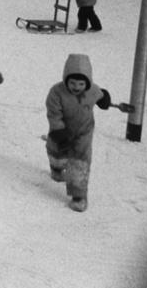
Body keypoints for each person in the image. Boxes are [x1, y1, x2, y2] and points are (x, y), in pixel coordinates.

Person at [45, 53, 114, 213]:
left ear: (87, 82)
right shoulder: (56, 92)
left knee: (79, 162)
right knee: (56, 153)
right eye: (73, 82)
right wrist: (60, 137)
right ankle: (56, 167)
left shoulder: (92, 90)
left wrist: (105, 99)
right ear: (66, 79)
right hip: (61, 131)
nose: (76, 87)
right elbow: (54, 116)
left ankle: (78, 196)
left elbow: (101, 95)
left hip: (84, 133)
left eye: (81, 83)